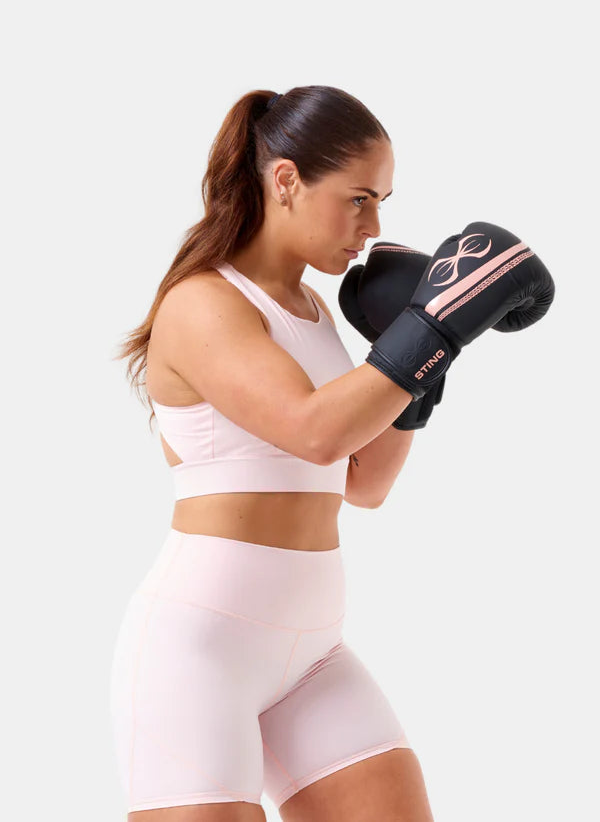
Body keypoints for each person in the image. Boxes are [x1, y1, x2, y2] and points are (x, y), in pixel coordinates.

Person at [109, 85, 553, 821]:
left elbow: (364, 481)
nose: (373, 227)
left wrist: (422, 365)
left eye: (381, 202)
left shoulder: (314, 312)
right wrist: (432, 328)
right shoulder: (203, 302)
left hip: (313, 653)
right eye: (358, 199)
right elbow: (314, 430)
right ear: (286, 180)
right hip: (201, 651)